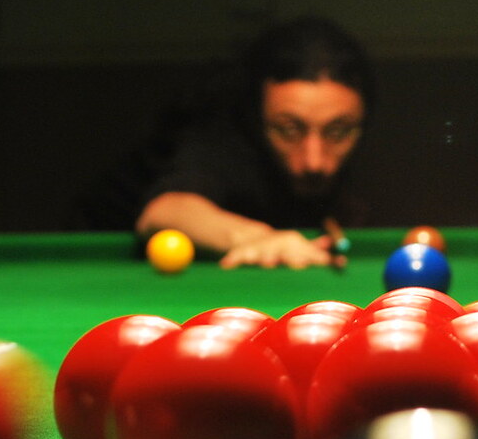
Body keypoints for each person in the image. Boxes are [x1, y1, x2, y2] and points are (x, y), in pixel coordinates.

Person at [82, 16, 374, 269]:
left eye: (337, 132)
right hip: (97, 249)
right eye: (288, 129)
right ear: (257, 114)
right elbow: (165, 211)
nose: (314, 162)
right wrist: (260, 239)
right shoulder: (221, 135)